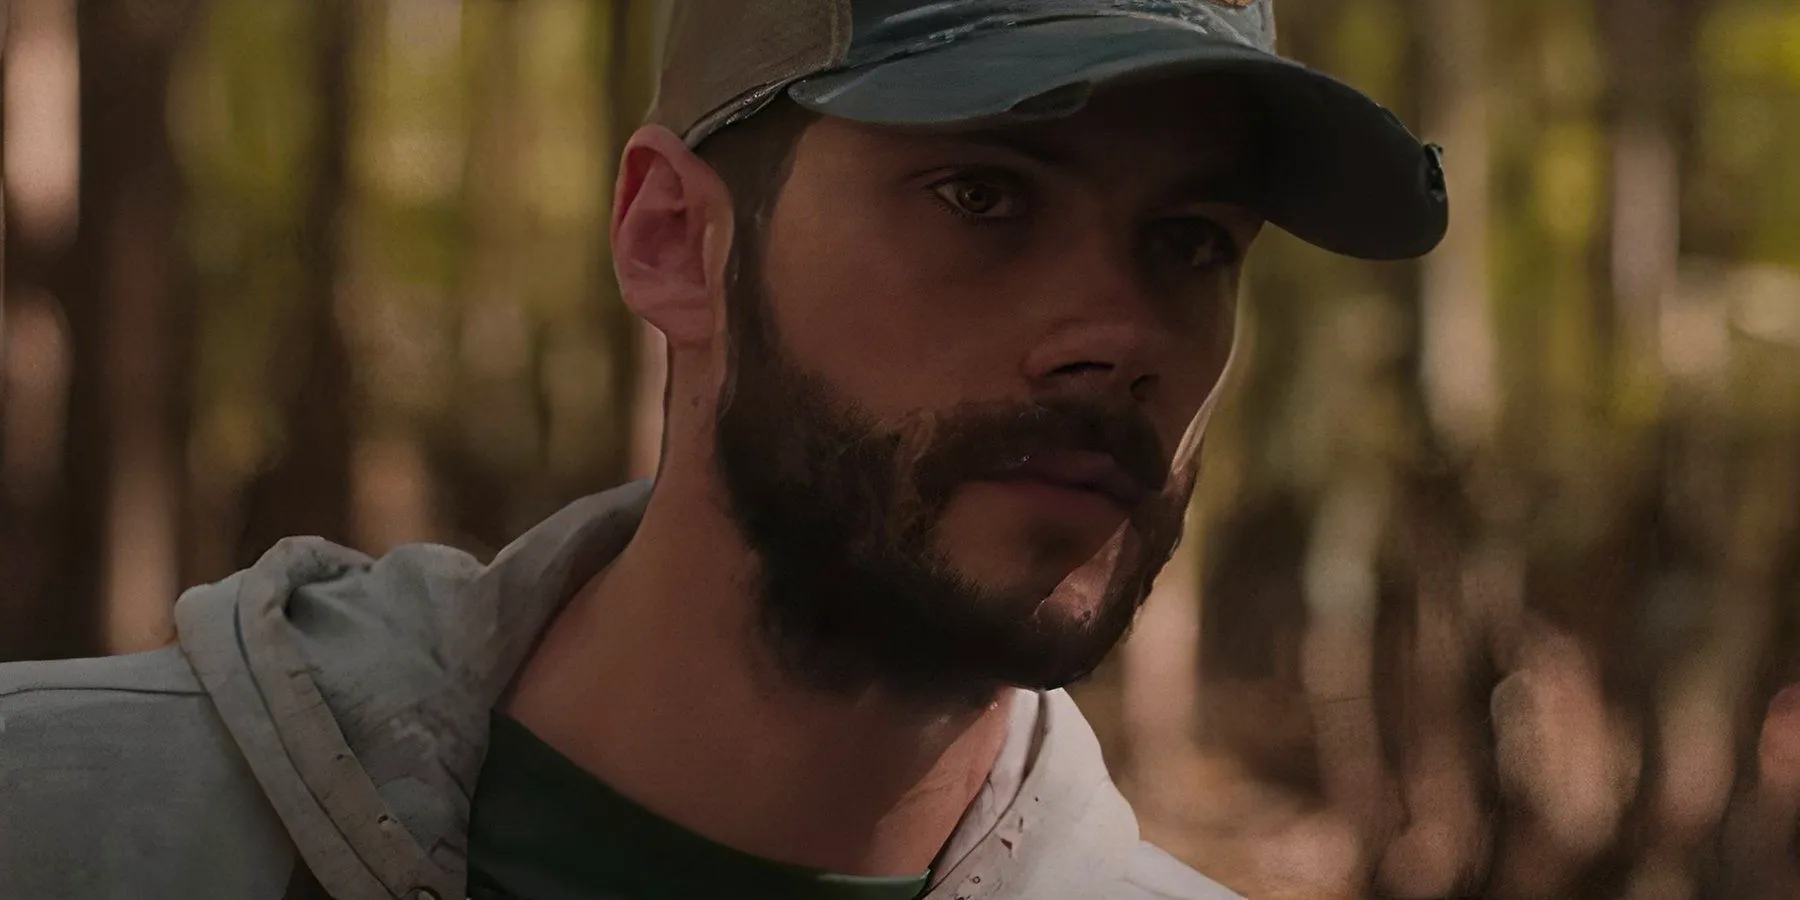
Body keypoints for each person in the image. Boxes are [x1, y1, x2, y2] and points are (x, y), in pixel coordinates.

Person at [0, 2, 1446, 898]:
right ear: (673, 241)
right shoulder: (69, 825)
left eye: (1191, 244)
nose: (1121, 336)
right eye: (984, 197)